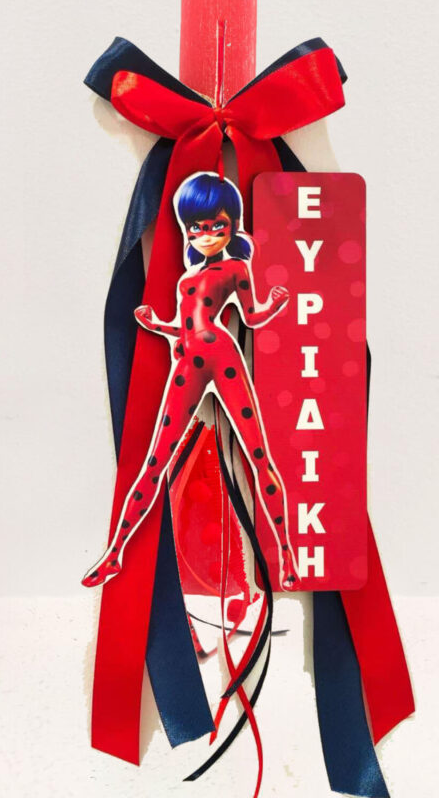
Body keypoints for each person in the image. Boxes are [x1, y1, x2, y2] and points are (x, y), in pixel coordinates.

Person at [82, 171, 299, 591]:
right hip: (186, 362)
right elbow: (184, 328)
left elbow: (250, 316)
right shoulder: (186, 280)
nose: (207, 234)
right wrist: (157, 325)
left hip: (223, 358)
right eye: (197, 227)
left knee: (258, 454)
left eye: (217, 225)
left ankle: (286, 556)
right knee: (154, 461)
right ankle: (115, 553)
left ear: (232, 225)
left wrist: (273, 305)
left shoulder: (236, 267)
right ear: (186, 228)